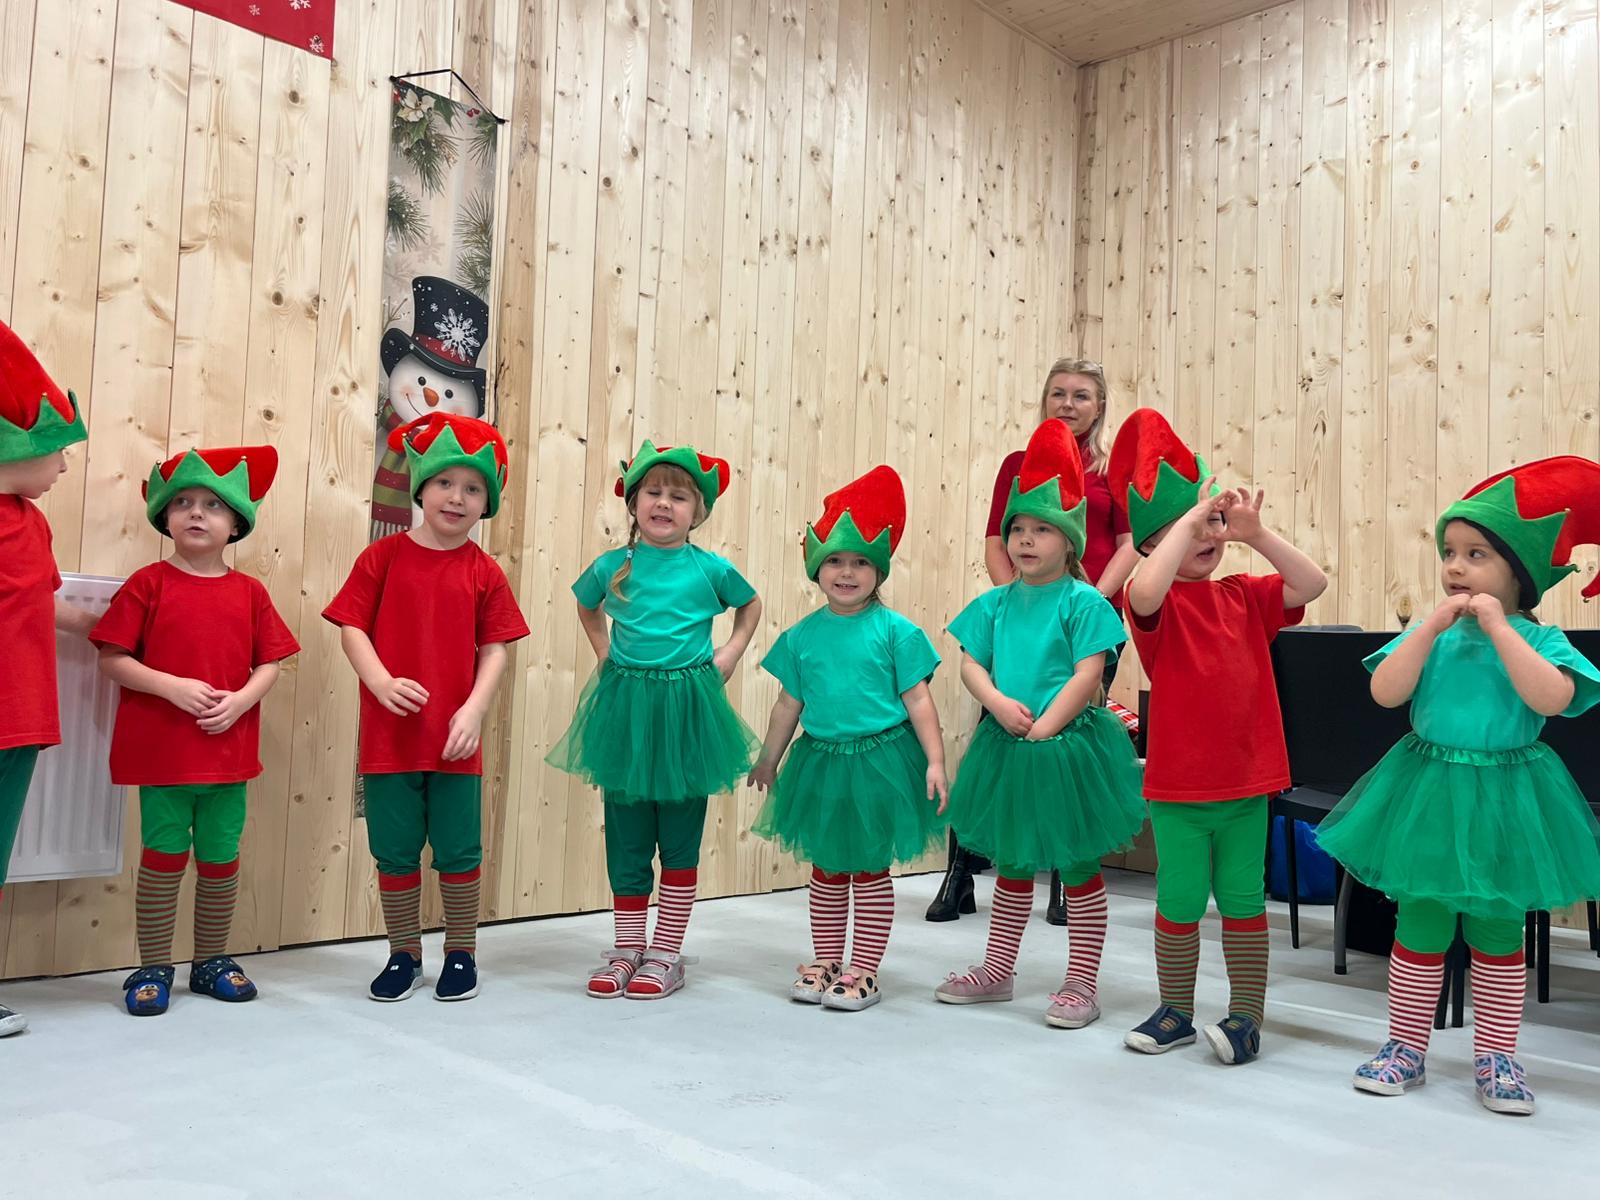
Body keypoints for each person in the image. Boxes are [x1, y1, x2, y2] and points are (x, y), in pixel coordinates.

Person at [1318, 456, 1600, 1116]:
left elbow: (1554, 699)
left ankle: (1497, 1056)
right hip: (1430, 792)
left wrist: (1501, 628)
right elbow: (1386, 692)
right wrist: (1427, 628)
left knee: (1498, 930)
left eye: (1476, 554)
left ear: (1517, 574)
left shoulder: (1541, 639)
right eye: (1449, 552)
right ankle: (1405, 1046)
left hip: (1508, 796)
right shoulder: (1435, 635)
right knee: (1419, 920)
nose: (1455, 567)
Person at [1111, 407, 1327, 1065]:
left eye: (1211, 524)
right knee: (1178, 901)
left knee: (1242, 902)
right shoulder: (1154, 602)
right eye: (1187, 527)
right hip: (1178, 789)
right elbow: (1142, 591)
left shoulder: (1245, 594)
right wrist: (1185, 521)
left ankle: (1246, 1018)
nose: (1206, 534)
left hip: (1246, 784)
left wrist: (1255, 534)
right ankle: (1175, 1011)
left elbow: (1311, 583)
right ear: (1155, 544)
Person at [934, 421, 1145, 1027]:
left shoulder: (1084, 602)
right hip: (1008, 744)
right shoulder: (996, 603)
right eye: (1018, 529)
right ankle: (998, 970)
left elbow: (1089, 672)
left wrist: (1048, 725)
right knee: (1013, 864)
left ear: (1070, 541)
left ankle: (1081, 983)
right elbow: (971, 662)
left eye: (1042, 529)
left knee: (1078, 868)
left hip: (1067, 747)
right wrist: (998, 704)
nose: (1025, 540)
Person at [324, 413, 529, 1003]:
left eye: (473, 489)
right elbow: (352, 629)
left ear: (486, 502)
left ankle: (461, 952)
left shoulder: (485, 572)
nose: (457, 497)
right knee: (394, 850)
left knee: (460, 849)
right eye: (445, 483)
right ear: (421, 488)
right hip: (390, 739)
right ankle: (403, 954)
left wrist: (474, 711)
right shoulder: (382, 558)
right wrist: (380, 681)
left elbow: (495, 650)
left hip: (454, 740)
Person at [547, 442, 761, 1000]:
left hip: (688, 710)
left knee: (680, 834)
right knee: (627, 833)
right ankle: (626, 946)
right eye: (654, 492)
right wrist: (604, 652)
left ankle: (665, 953)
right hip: (627, 709)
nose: (664, 503)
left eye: (679, 496)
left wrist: (730, 653)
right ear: (634, 502)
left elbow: (750, 605)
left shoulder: (709, 568)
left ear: (698, 512)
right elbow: (586, 605)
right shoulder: (612, 566)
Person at [96, 447, 298, 1016]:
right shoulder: (147, 584)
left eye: (212, 505)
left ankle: (210, 961)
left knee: (219, 859)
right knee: (162, 857)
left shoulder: (251, 593)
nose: (196, 513)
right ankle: (153, 966)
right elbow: (112, 658)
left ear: (236, 523)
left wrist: (241, 701)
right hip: (163, 758)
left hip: (227, 757)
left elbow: (270, 664)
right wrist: (172, 687)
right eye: (183, 502)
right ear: (165, 517)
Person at [748, 466, 948, 1011]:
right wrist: (769, 759)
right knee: (827, 868)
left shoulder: (896, 632)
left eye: (861, 562)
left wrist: (935, 761)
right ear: (816, 567)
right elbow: (788, 705)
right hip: (822, 764)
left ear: (878, 571)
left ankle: (865, 969)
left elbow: (919, 702)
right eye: (835, 560)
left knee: (869, 869)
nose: (847, 572)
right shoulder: (801, 637)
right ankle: (828, 959)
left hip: (880, 763)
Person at [0, 319, 96, 1038]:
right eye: (58, 450)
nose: (64, 466)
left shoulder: (31, 524)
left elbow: (45, 603)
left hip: (23, 719)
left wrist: (111, 630)